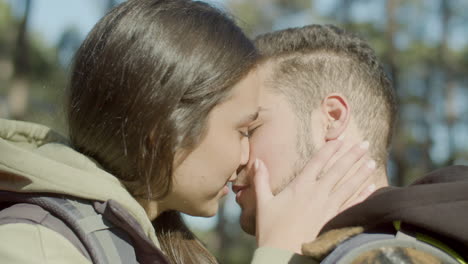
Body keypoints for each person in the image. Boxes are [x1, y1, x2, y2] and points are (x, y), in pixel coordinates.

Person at [0, 2, 374, 264]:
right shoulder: (35, 246)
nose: (247, 157)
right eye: (244, 129)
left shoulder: (156, 243)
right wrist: (278, 254)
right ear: (165, 125)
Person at [235, 24, 468, 263]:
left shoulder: (387, 258)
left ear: (332, 119)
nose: (237, 157)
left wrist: (275, 256)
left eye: (249, 130)